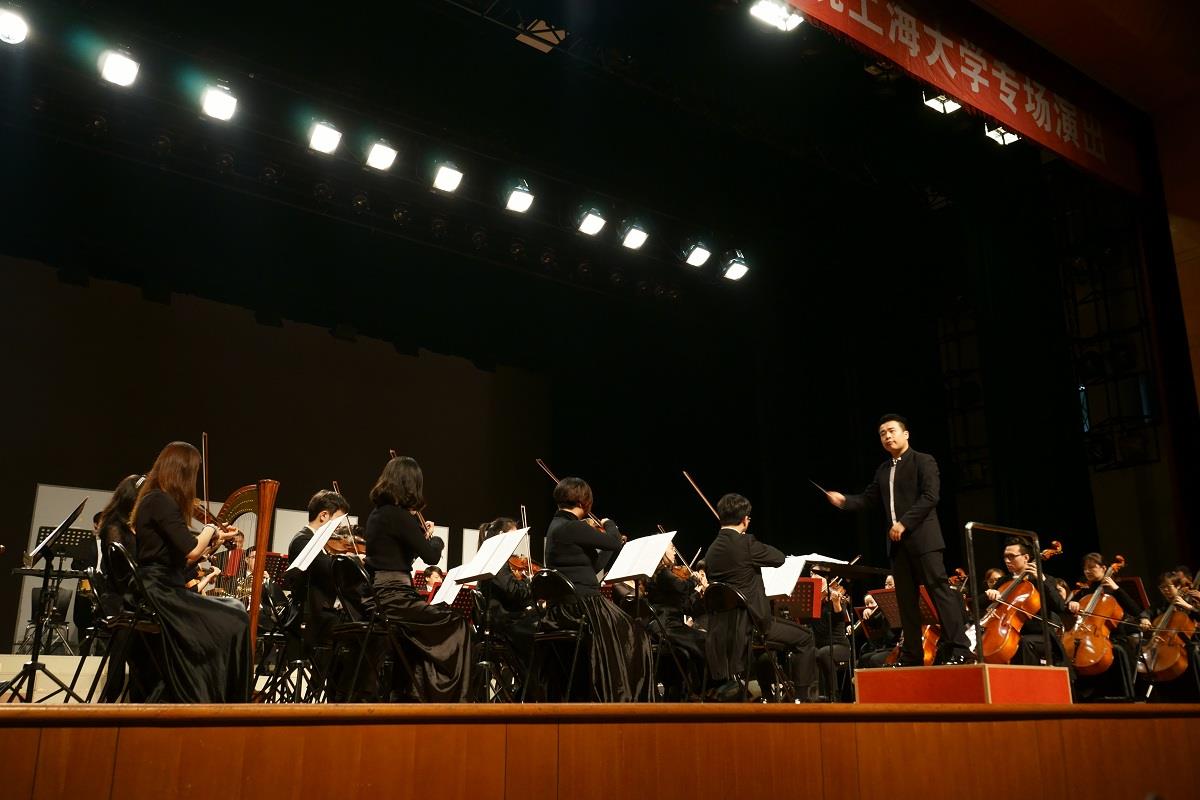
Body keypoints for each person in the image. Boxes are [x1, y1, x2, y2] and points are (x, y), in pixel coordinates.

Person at [827, 414, 971, 666]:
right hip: (898, 546)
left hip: (924, 540)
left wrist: (904, 523)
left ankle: (961, 648)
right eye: (882, 433)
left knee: (939, 592)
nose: (887, 436)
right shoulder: (884, 470)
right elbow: (868, 499)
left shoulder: (923, 460)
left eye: (891, 431)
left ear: (906, 434)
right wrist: (844, 501)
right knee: (905, 601)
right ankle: (912, 654)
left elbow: (930, 496)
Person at [126, 441, 250, 702]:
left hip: (164, 585)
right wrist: (210, 530)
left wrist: (215, 540)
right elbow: (192, 551)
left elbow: (181, 560)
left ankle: (214, 690)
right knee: (236, 616)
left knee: (235, 609)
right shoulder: (160, 500)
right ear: (182, 472)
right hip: (159, 591)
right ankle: (220, 694)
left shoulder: (156, 500)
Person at [363, 455, 472, 702]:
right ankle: (450, 697)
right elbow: (431, 556)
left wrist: (418, 536)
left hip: (379, 595)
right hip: (395, 597)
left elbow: (395, 557)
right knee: (457, 623)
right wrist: (435, 540)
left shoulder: (377, 515)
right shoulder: (399, 516)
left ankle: (411, 694)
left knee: (419, 634)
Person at [541, 476, 652, 702]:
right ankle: (624, 695)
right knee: (636, 633)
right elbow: (614, 541)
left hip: (567, 606)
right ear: (585, 502)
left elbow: (593, 568)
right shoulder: (571, 526)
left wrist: (609, 545)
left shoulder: (558, 526)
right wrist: (610, 523)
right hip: (582, 607)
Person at [704, 492, 818, 701]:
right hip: (752, 625)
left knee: (766, 652)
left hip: (721, 630)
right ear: (745, 519)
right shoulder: (746, 543)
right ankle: (803, 699)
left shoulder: (711, 552)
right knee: (805, 637)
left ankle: (767, 695)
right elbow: (779, 558)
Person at [980, 538, 1067, 666]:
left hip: (1040, 635)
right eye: (1005, 557)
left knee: (1024, 642)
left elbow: (1059, 606)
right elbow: (978, 602)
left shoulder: (1044, 580)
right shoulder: (1003, 581)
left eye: (1011, 556)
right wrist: (990, 594)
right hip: (1008, 631)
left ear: (1026, 557)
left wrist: (1042, 580)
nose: (1007, 561)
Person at [287, 490, 349, 657]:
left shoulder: (322, 543)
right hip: (311, 615)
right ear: (324, 516)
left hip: (324, 613)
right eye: (338, 521)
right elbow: (328, 568)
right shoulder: (303, 540)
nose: (339, 528)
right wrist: (351, 561)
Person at [644, 542, 707, 699]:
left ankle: (696, 689)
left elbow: (684, 606)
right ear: (662, 552)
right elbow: (682, 586)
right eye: (672, 549)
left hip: (672, 624)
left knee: (703, 639)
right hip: (665, 626)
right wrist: (694, 580)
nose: (674, 552)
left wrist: (698, 593)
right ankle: (705, 689)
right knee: (704, 640)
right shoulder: (662, 574)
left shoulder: (665, 574)